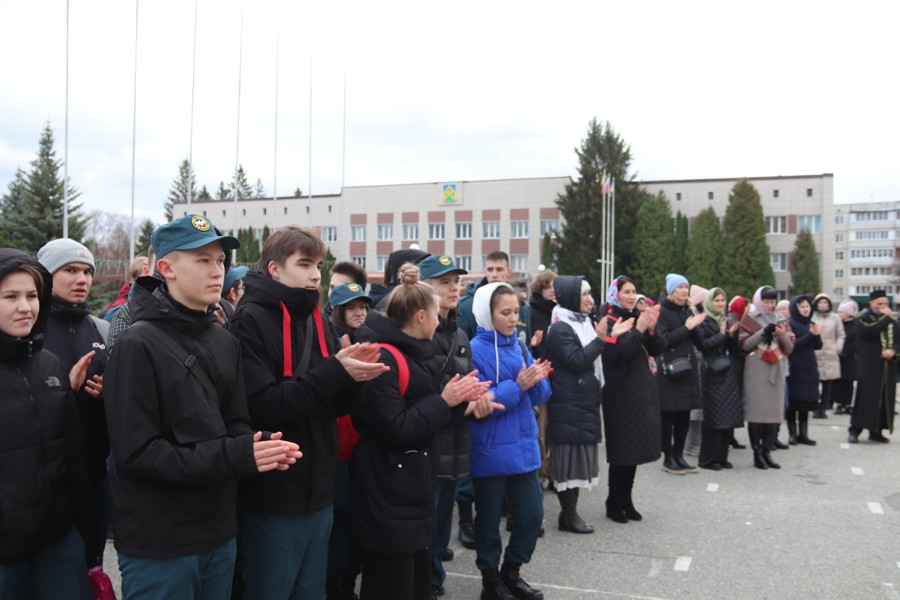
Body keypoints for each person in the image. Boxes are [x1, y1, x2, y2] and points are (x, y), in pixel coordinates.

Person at [104, 215, 302, 599]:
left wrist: (257, 446)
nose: (217, 271)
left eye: (220, 261)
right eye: (202, 260)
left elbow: (236, 422)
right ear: (166, 268)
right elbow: (138, 455)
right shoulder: (136, 344)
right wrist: (237, 454)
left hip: (218, 533)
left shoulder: (224, 340)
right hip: (161, 543)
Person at [228, 226, 387, 599]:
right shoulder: (249, 320)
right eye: (305, 264)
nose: (317, 274)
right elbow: (263, 406)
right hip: (276, 495)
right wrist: (337, 372)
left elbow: (334, 405)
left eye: (319, 264)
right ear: (274, 269)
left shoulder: (315, 318)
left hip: (320, 491)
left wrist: (356, 379)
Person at [350, 263, 489, 600]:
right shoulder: (384, 359)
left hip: (409, 494)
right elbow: (394, 428)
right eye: (434, 313)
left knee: (415, 585)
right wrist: (445, 402)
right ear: (419, 317)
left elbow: (428, 417)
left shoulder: (415, 354)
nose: (441, 320)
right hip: (389, 495)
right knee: (391, 586)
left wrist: (457, 402)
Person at [0, 249, 95, 599]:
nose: (25, 307)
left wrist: (84, 532)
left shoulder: (50, 366)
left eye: (31, 296)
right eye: (10, 296)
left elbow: (73, 459)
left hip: (57, 539)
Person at [415, 255, 497, 598]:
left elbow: (464, 381)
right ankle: (423, 582)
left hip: (455, 441)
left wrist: (480, 397)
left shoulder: (460, 331)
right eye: (444, 282)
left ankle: (434, 578)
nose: (454, 288)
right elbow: (419, 391)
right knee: (425, 520)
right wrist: (460, 403)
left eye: (456, 281)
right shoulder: (418, 331)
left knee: (441, 522)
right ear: (424, 289)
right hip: (427, 439)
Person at [469, 282, 551, 600]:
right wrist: (518, 385)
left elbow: (540, 396)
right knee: (489, 520)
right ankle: (490, 581)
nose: (512, 318)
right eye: (504, 312)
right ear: (487, 315)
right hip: (490, 448)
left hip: (522, 445)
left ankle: (511, 572)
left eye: (516, 311)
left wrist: (538, 378)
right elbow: (482, 402)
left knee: (532, 513)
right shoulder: (475, 349)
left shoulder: (518, 345)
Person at [36, 238, 109, 569]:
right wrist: (65, 390)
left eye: (87, 272)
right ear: (47, 275)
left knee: (90, 563)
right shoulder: (31, 327)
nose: (82, 279)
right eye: (70, 270)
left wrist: (109, 392)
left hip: (93, 472)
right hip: (46, 481)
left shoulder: (97, 327)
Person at [545, 276, 630, 533]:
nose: (589, 299)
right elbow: (577, 360)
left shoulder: (579, 322)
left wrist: (605, 337)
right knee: (569, 461)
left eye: (590, 293)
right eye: (584, 294)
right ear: (571, 297)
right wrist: (601, 339)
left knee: (579, 460)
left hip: (581, 400)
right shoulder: (560, 326)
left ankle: (569, 515)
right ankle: (569, 515)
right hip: (569, 401)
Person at [601, 276, 663, 523]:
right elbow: (617, 355)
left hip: (639, 394)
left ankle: (626, 499)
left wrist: (651, 329)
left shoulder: (636, 317)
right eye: (625, 291)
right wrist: (637, 330)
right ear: (615, 294)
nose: (630, 295)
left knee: (633, 452)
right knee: (620, 453)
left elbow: (658, 348)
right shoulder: (609, 320)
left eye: (633, 291)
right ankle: (613, 501)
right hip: (619, 395)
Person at [326, 282, 373, 599]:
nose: (359, 312)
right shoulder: (329, 340)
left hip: (363, 447)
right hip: (339, 449)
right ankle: (335, 584)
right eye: (352, 307)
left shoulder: (371, 339)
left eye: (364, 307)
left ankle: (348, 580)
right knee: (339, 522)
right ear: (338, 311)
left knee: (358, 517)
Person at [655, 273, 705, 475]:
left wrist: (692, 317)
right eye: (680, 287)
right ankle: (668, 458)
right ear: (670, 290)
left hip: (687, 370)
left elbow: (699, 341)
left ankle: (679, 455)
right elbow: (664, 341)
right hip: (670, 372)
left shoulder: (686, 310)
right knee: (669, 418)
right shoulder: (662, 311)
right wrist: (686, 327)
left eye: (686, 287)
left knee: (684, 416)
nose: (684, 291)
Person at [739, 286, 794, 469]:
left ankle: (767, 451)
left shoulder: (780, 318)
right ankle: (756, 453)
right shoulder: (750, 318)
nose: (769, 305)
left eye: (772, 301)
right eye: (766, 301)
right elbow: (745, 344)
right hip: (756, 369)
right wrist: (763, 332)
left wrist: (781, 334)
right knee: (756, 412)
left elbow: (789, 348)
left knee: (773, 412)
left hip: (776, 368)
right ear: (758, 300)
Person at [695, 287, 743, 470]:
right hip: (713, 373)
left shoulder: (725, 320)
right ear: (709, 302)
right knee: (714, 419)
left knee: (727, 419)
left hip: (727, 373)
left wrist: (731, 335)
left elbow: (733, 349)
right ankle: (708, 459)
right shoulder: (704, 321)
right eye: (716, 300)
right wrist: (722, 334)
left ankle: (721, 457)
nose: (720, 304)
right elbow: (704, 345)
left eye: (723, 300)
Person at [848, 290, 898, 443]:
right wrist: (886, 316)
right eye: (879, 304)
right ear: (871, 304)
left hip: (888, 367)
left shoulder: (892, 322)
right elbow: (871, 331)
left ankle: (876, 431)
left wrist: (894, 350)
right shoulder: (863, 319)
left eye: (885, 304)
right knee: (866, 398)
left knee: (884, 399)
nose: (883, 307)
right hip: (869, 366)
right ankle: (855, 430)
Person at [458, 251, 531, 343]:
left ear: (509, 272)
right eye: (490, 269)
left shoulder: (521, 306)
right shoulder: (467, 306)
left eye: (499, 269)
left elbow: (526, 343)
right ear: (485, 271)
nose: (494, 275)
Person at [528, 268, 557, 490]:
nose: (552, 290)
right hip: (539, 377)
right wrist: (534, 347)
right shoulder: (532, 311)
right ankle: (541, 473)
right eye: (547, 286)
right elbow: (527, 346)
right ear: (540, 288)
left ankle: (554, 474)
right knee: (541, 429)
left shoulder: (561, 311)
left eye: (554, 286)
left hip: (559, 378)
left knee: (555, 430)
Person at [786, 295, 824, 446]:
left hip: (809, 366)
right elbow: (792, 346)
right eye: (801, 306)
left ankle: (804, 434)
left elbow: (817, 345)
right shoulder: (790, 324)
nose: (805, 309)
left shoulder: (811, 323)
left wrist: (816, 334)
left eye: (807, 306)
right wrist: (810, 334)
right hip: (794, 366)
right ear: (795, 308)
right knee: (794, 402)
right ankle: (792, 434)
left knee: (806, 401)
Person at [812, 293, 845, 418]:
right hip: (816, 354)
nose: (823, 305)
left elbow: (841, 335)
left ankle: (824, 407)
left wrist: (837, 348)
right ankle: (815, 407)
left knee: (828, 384)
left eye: (825, 302)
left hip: (831, 354)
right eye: (820, 302)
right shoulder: (812, 317)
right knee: (815, 383)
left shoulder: (835, 318)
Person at [833, 301, 859, 415]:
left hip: (850, 359)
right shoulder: (837, 324)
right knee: (838, 382)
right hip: (837, 357)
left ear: (849, 313)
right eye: (838, 312)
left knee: (848, 382)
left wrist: (846, 353)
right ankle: (839, 403)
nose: (839, 314)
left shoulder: (856, 325)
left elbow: (856, 343)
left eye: (841, 312)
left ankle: (847, 404)